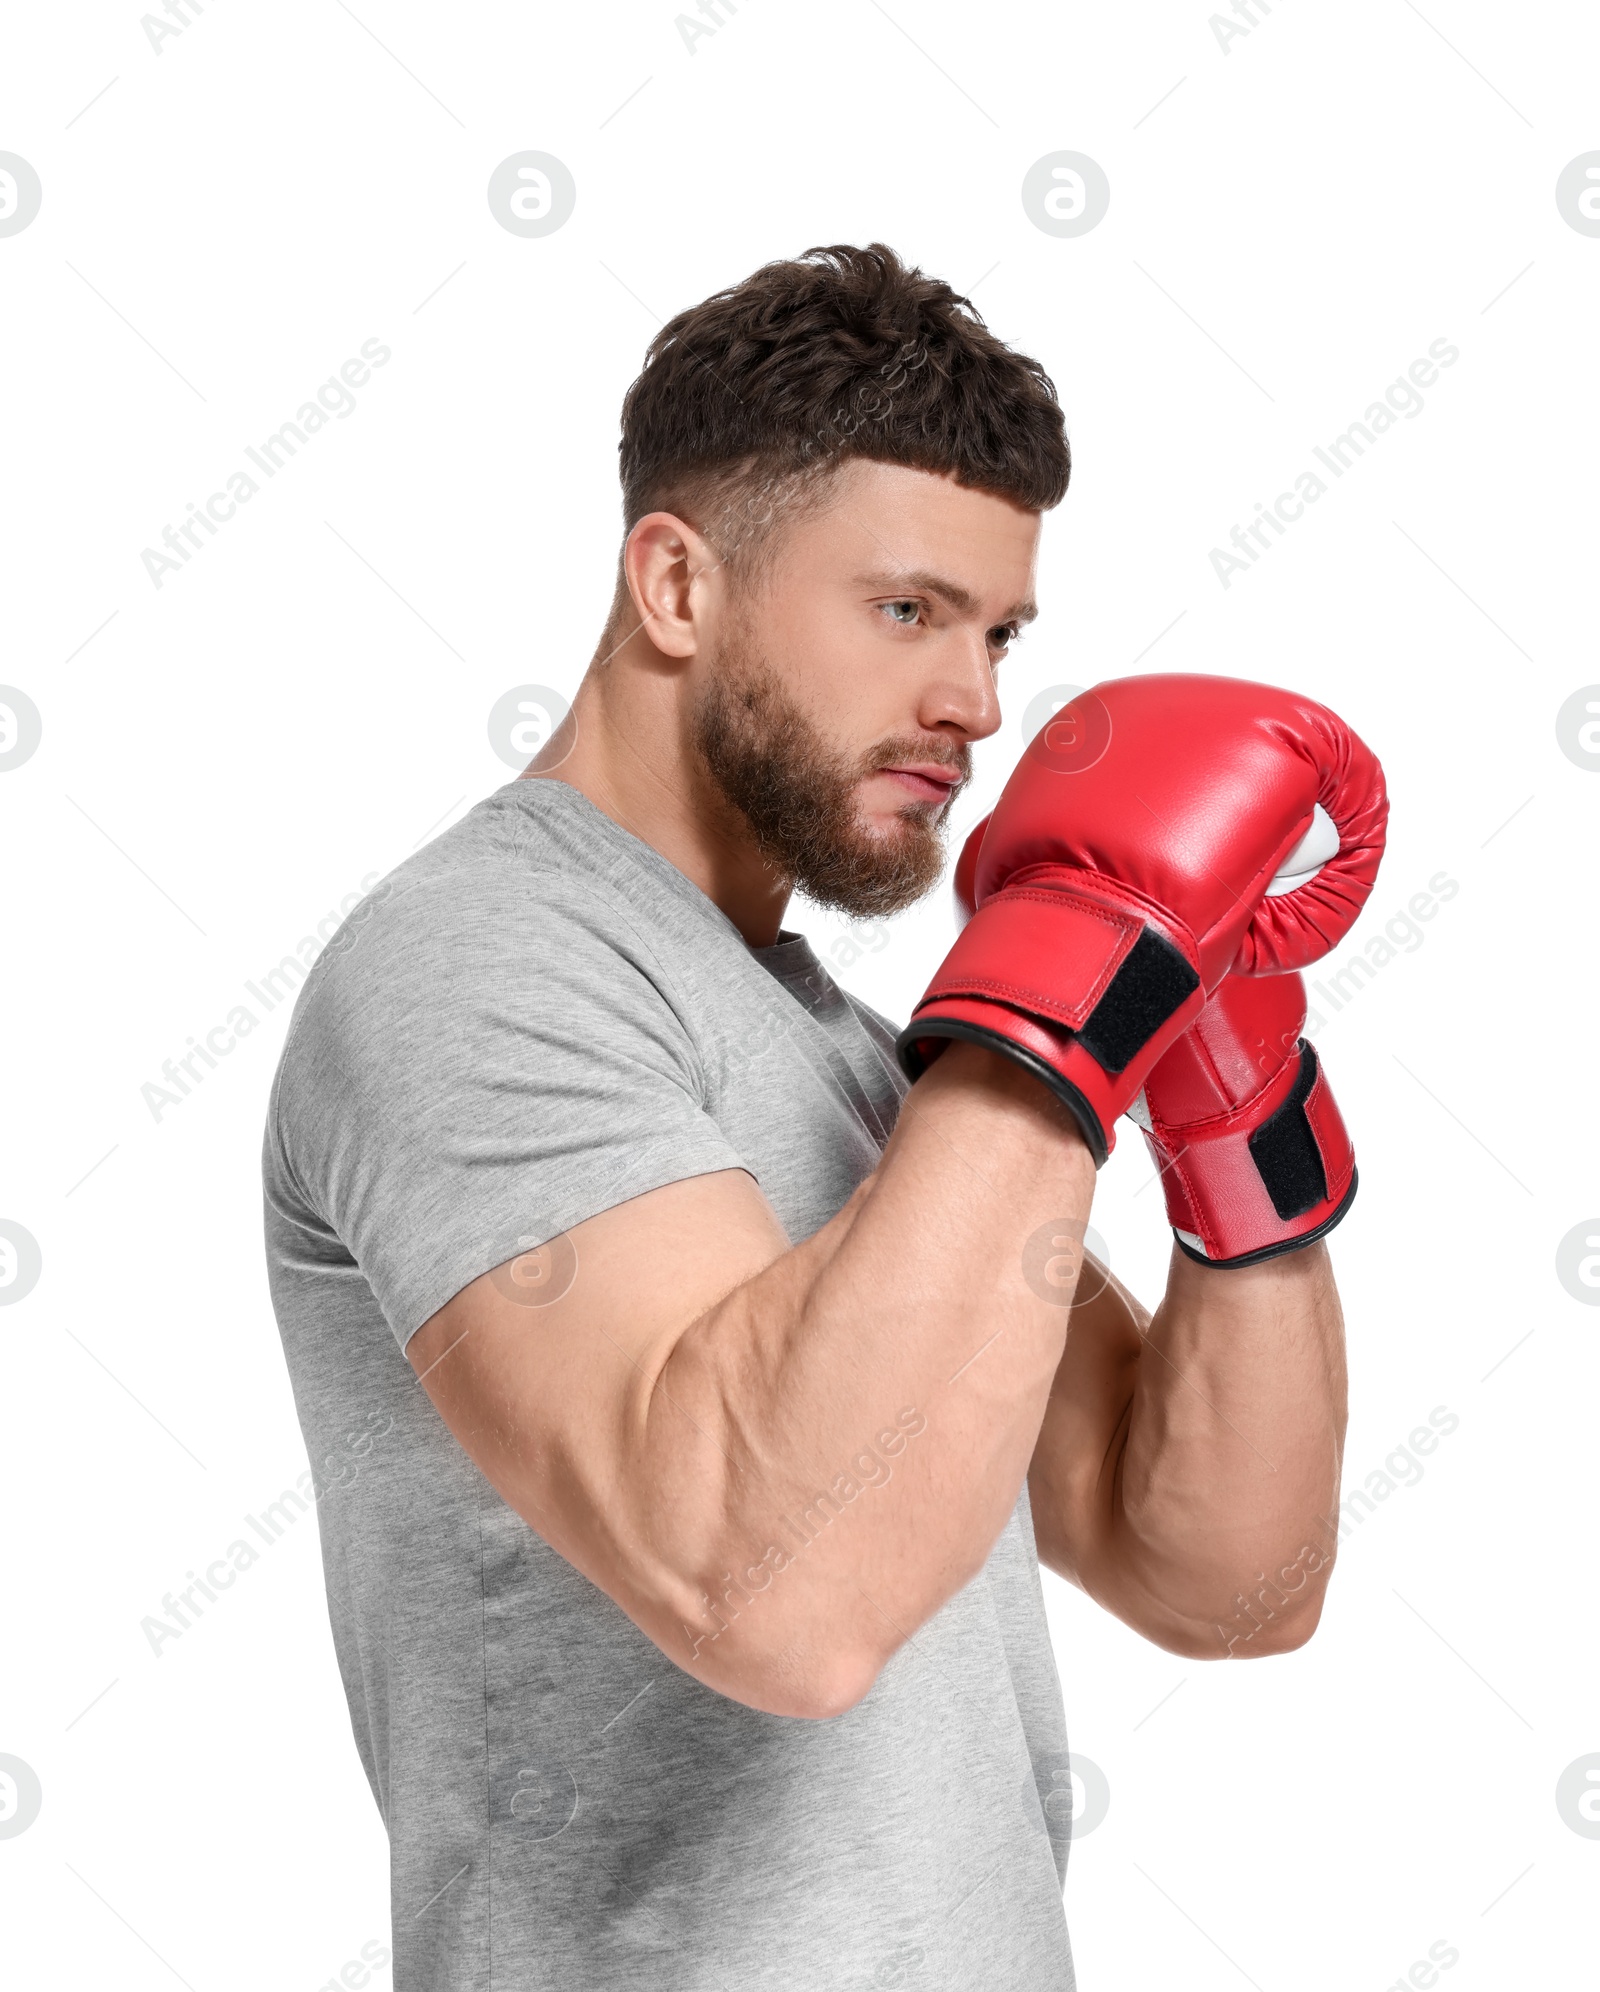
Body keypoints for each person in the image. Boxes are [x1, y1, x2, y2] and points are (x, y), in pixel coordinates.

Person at [262, 242, 1384, 1991]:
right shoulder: (478, 966)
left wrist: (1231, 1105)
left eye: (1000, 632)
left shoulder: (883, 1069)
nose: (978, 703)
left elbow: (1225, 1579)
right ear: (678, 586)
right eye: (907, 611)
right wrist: (1077, 990)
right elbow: (773, 1590)